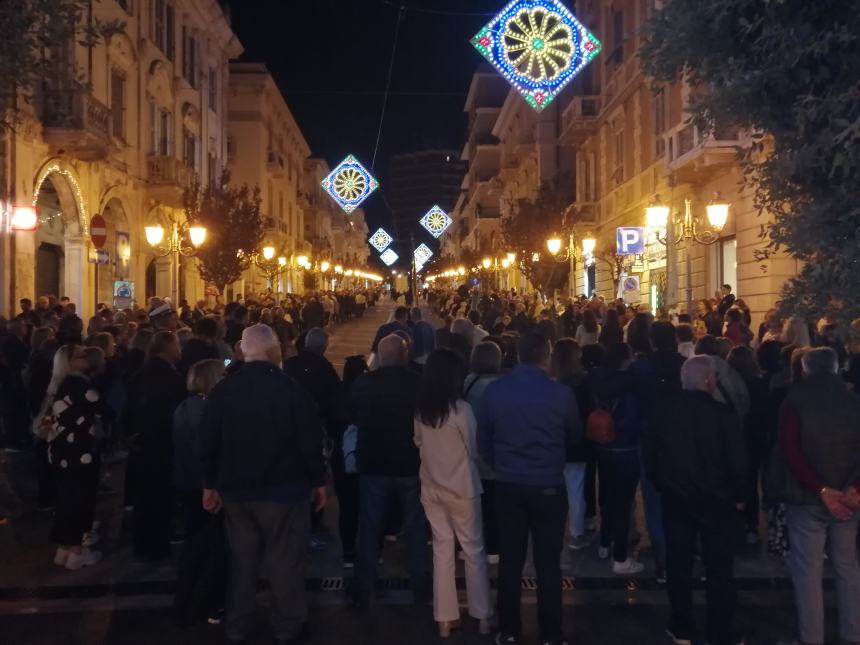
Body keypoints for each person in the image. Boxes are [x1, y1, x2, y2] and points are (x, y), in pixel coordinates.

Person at [199, 324, 326, 645]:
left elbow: (207, 441)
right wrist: (318, 480)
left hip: (237, 492)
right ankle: (288, 625)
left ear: (243, 350)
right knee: (284, 561)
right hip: (283, 491)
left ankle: (239, 624)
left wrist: (209, 483)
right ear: (274, 351)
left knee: (243, 561)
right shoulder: (291, 390)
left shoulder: (224, 390)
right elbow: (309, 441)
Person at [479, 333, 582, 645]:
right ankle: (551, 632)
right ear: (545, 356)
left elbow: (483, 441)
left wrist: (501, 465)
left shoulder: (495, 391)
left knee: (510, 560)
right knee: (548, 563)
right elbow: (574, 436)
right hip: (548, 484)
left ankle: (509, 629)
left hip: (509, 483)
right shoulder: (561, 394)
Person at [644, 356, 748, 645]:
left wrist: (662, 484)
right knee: (719, 566)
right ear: (708, 380)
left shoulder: (664, 412)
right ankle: (720, 629)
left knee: (679, 563)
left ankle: (682, 624)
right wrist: (740, 495)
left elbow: (650, 455)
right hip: (717, 500)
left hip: (677, 498)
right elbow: (737, 461)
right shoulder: (723, 414)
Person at [774, 348, 860, 645]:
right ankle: (853, 632)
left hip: (808, 497)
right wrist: (854, 489)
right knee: (847, 566)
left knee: (808, 571)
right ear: (837, 368)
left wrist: (821, 490)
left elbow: (791, 451)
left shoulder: (795, 401)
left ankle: (812, 637)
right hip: (848, 498)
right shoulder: (853, 400)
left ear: (805, 369)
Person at [414, 349, 493, 638]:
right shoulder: (461, 410)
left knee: (442, 550)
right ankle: (481, 613)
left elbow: (418, 442)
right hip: (462, 488)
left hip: (431, 487)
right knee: (473, 550)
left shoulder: (422, 410)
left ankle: (444, 618)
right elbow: (474, 449)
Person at [350, 334, 428, 608]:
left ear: (380, 357)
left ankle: (363, 587)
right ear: (404, 355)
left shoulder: (364, 383)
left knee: (370, 525)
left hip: (374, 463)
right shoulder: (418, 383)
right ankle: (420, 585)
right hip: (410, 463)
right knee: (416, 525)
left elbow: (351, 414)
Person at [172, 359, 226, 626]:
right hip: (206, 487)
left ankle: (186, 601)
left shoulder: (185, 407)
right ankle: (210, 604)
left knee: (195, 546)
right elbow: (210, 452)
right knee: (215, 550)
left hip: (187, 484)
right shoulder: (207, 410)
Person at [40, 345, 103, 570]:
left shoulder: (56, 386)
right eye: (81, 355)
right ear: (70, 362)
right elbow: (101, 407)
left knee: (65, 498)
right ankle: (76, 550)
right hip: (80, 450)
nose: (86, 358)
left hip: (60, 452)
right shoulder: (79, 384)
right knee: (81, 498)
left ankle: (64, 547)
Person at [128, 331, 186, 560]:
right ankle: (157, 545)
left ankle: (145, 543)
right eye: (177, 345)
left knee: (146, 496)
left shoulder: (143, 373)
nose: (180, 348)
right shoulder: (166, 376)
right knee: (159, 495)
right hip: (161, 442)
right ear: (167, 349)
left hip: (144, 442)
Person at [552, 339, 596, 552]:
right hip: (577, 443)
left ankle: (562, 526)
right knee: (575, 487)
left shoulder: (553, 384)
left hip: (555, 442)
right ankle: (576, 532)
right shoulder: (582, 384)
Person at [464, 342, 503, 563]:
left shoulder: (468, 381)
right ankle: (493, 549)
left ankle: (469, 546)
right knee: (493, 506)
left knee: (473, 506)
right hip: (492, 455)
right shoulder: (498, 386)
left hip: (470, 454)